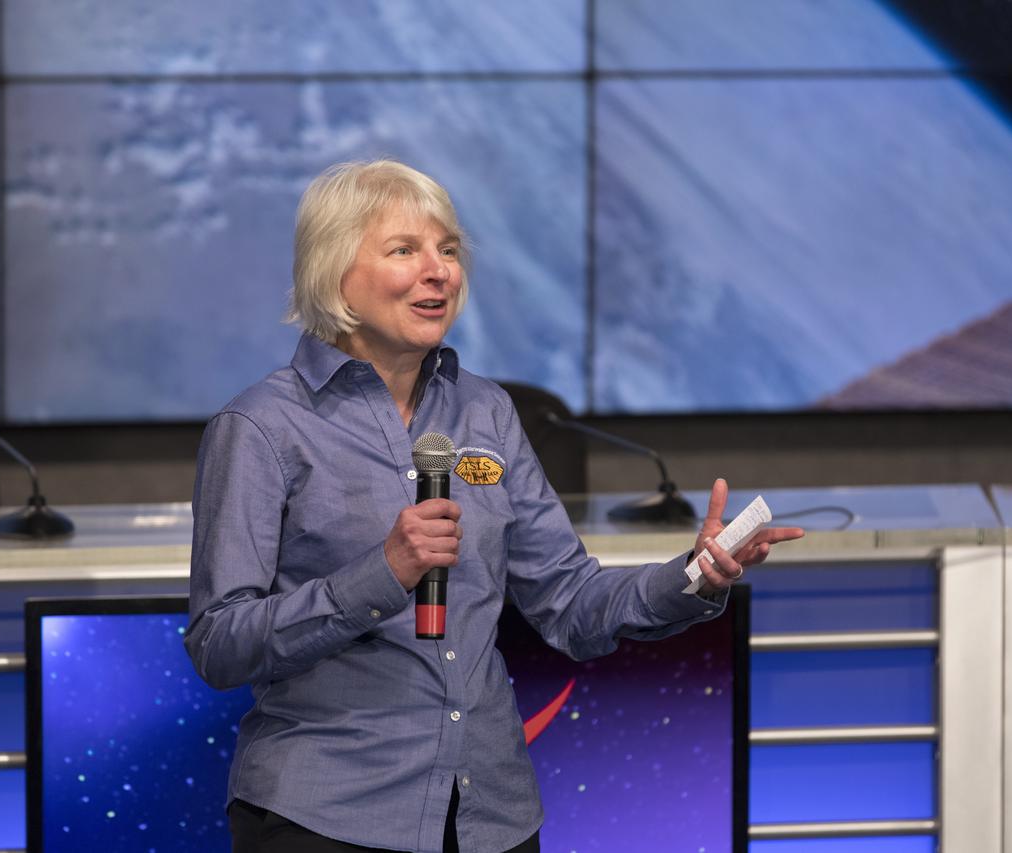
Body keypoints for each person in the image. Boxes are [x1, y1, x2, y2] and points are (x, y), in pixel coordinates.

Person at [185, 159, 804, 853]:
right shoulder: (262, 427)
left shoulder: (486, 410)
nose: (439, 271)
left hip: (490, 817)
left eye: (448, 249)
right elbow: (219, 642)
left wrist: (692, 575)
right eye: (405, 250)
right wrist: (381, 572)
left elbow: (569, 601)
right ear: (335, 274)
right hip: (329, 816)